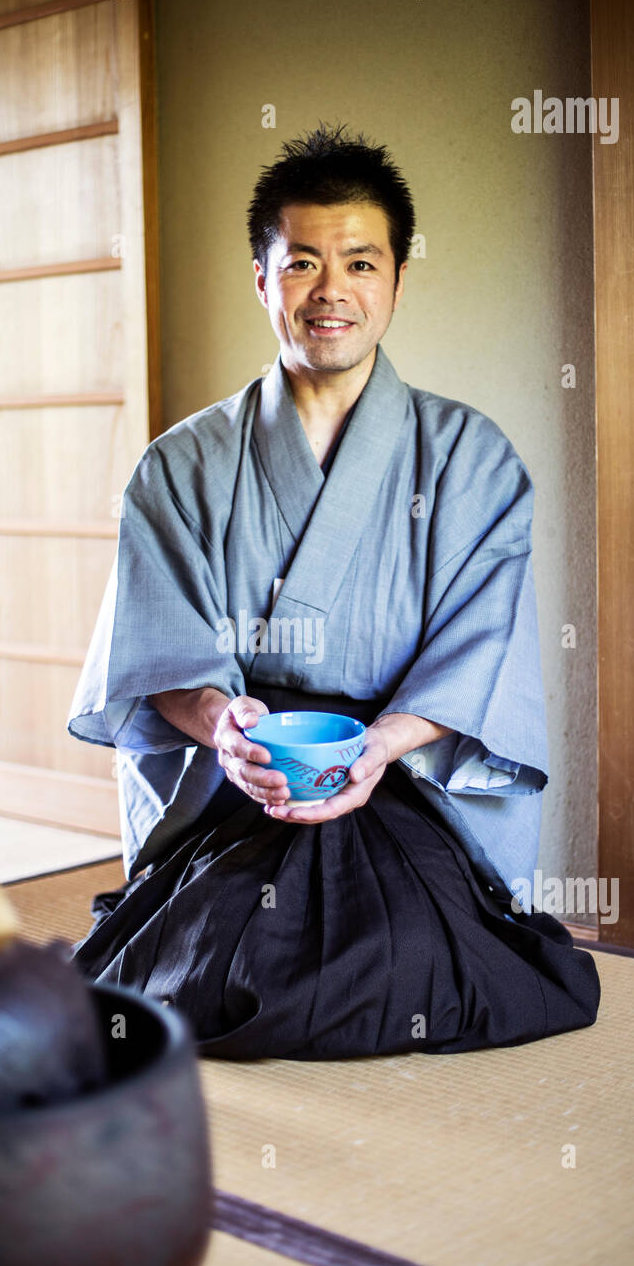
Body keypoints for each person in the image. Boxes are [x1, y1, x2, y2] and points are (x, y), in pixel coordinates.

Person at [66, 121, 600, 1059]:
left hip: (396, 775)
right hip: (245, 782)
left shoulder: (470, 459)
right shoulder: (180, 466)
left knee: (400, 957)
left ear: (396, 278)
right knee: (216, 960)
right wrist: (226, 731)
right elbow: (155, 652)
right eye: (303, 262)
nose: (332, 292)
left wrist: (380, 745)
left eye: (360, 262)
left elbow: (482, 649)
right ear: (263, 279)